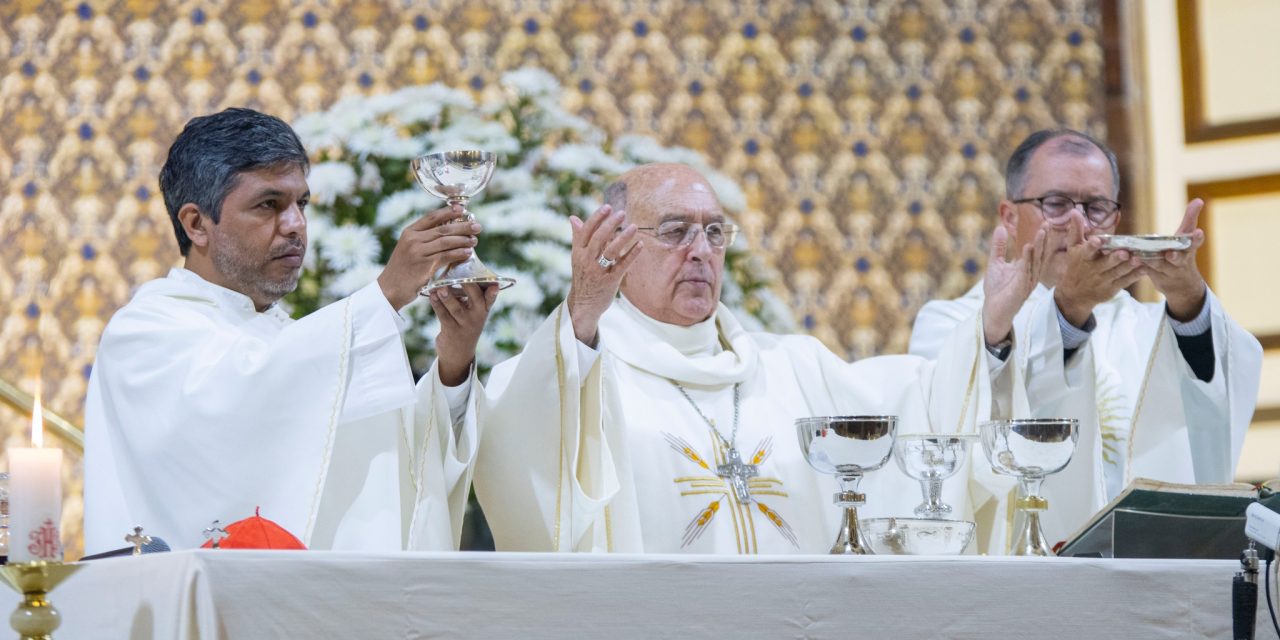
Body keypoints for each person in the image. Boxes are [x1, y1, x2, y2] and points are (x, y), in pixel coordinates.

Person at [476, 163, 1057, 553]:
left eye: (714, 233)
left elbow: (924, 408)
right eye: (676, 231)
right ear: (618, 245)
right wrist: (581, 312)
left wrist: (993, 322)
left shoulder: (794, 368)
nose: (701, 251)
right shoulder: (580, 368)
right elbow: (524, 447)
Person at [84, 108, 497, 552]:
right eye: (269, 205)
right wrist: (387, 293)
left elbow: (392, 473)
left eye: (301, 203)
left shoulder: (291, 338)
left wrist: (454, 360)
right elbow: (238, 409)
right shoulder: (146, 331)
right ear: (196, 224)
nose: (296, 225)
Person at [909, 129, 1263, 551]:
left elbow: (1223, 383)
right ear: (1009, 215)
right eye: (1055, 204)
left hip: (1151, 573)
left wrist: (1189, 298)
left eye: (1096, 207)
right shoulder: (953, 325)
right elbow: (956, 427)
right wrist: (1068, 310)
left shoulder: (1155, 326)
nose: (1078, 223)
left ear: (1114, 220)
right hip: (1022, 578)